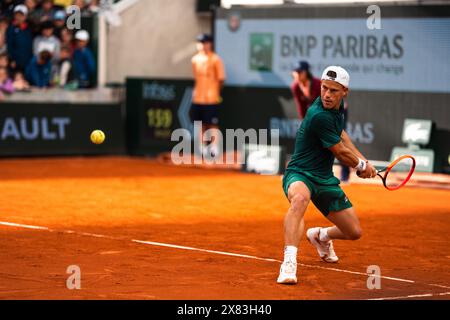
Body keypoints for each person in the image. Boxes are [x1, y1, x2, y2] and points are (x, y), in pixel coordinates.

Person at [277, 66, 377, 285]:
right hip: (300, 173)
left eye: (333, 90)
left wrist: (364, 161)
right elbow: (340, 151)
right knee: (300, 199)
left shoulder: (336, 110)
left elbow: (342, 135)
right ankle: (289, 262)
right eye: (324, 88)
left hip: (323, 178)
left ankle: (321, 236)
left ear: (344, 92)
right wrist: (360, 165)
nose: (327, 95)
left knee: (354, 232)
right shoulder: (319, 113)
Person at [191, 33, 226, 158]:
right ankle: (202, 148)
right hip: (198, 98)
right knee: (199, 124)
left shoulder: (216, 59)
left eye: (205, 43)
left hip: (212, 99)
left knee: (212, 124)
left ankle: (214, 148)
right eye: (200, 43)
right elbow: (196, 78)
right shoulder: (195, 60)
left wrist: (216, 92)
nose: (202, 46)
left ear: (210, 44)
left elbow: (221, 79)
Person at [6, 5, 33, 72]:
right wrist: (12, 59)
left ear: (25, 16)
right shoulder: (11, 28)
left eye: (21, 15)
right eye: (17, 14)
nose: (19, 17)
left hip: (28, 62)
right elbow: (9, 45)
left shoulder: (30, 28)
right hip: (15, 62)